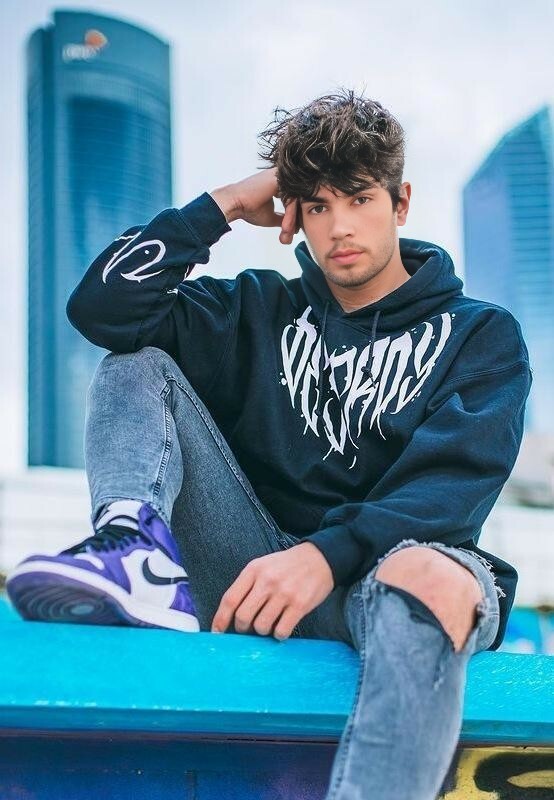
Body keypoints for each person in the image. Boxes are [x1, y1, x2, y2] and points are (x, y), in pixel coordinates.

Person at [6, 89, 532, 799]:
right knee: (136, 362)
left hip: (382, 584)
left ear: (400, 202)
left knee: (433, 573)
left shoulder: (480, 333)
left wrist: (324, 556)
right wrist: (222, 205)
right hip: (250, 577)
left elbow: (450, 488)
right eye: (317, 205)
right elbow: (101, 310)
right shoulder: (254, 308)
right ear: (292, 214)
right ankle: (132, 547)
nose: (340, 226)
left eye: (359, 198)